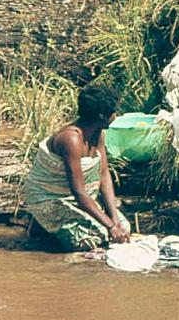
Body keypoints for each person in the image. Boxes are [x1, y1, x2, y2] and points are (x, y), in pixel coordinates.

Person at [25, 84, 131, 251]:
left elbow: (103, 174)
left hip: (79, 198)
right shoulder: (71, 139)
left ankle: (49, 225)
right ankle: (42, 225)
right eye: (113, 113)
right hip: (51, 197)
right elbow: (78, 192)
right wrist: (110, 226)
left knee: (125, 228)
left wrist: (115, 218)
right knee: (87, 242)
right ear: (102, 116)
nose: (115, 116)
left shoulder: (98, 132)